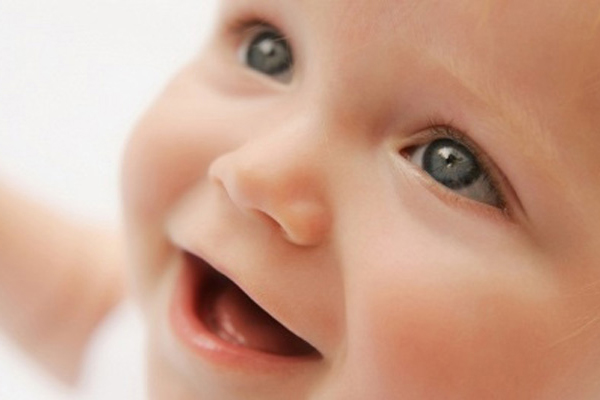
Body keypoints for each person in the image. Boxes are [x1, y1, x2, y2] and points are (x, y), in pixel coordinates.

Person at [3, 0, 600, 398]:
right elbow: (81, 302)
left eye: (450, 165)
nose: (255, 173)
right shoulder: (148, 347)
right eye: (268, 51)